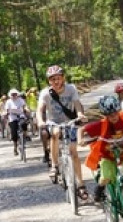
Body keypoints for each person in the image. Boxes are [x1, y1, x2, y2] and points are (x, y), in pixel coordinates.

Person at [37, 64, 88, 199]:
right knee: (55, 133)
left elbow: (77, 104)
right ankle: (54, 165)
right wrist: (40, 121)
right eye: (53, 79)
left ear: (63, 78)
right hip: (53, 122)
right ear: (49, 81)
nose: (56, 81)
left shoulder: (71, 89)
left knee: (74, 153)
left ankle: (81, 185)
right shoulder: (45, 93)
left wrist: (80, 114)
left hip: (69, 123)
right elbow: (40, 110)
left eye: (58, 78)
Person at [81, 95, 123, 203]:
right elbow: (81, 129)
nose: (113, 117)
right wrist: (80, 140)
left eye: (115, 113)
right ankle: (99, 189)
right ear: (105, 115)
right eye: (109, 115)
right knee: (106, 177)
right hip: (107, 156)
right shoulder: (102, 125)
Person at [3, 89, 31, 155]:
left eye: (15, 94)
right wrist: (5, 113)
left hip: (20, 115)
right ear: (10, 95)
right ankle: (15, 147)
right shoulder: (8, 102)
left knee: (24, 124)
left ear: (17, 94)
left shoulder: (20, 100)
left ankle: (25, 135)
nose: (14, 96)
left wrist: (27, 110)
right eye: (12, 94)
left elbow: (24, 106)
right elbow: (6, 110)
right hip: (12, 117)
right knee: (14, 133)